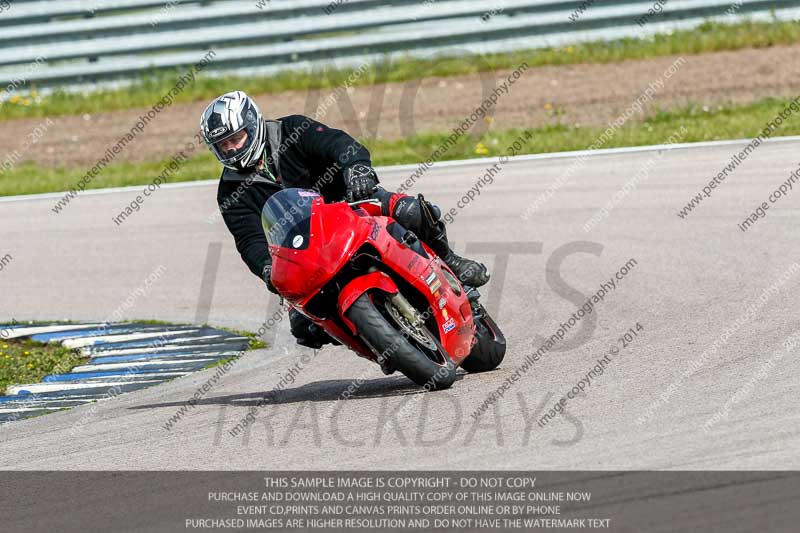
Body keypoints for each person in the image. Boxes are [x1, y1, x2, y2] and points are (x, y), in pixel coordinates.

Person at [202, 91, 489, 348]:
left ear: (253, 126)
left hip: (351, 207)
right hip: (305, 252)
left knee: (409, 210)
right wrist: (267, 268)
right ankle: (373, 338)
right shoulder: (230, 190)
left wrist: (356, 169)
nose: (231, 149)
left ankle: (450, 260)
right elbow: (249, 239)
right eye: (222, 145)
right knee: (304, 327)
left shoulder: (292, 130)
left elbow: (340, 144)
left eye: (235, 139)